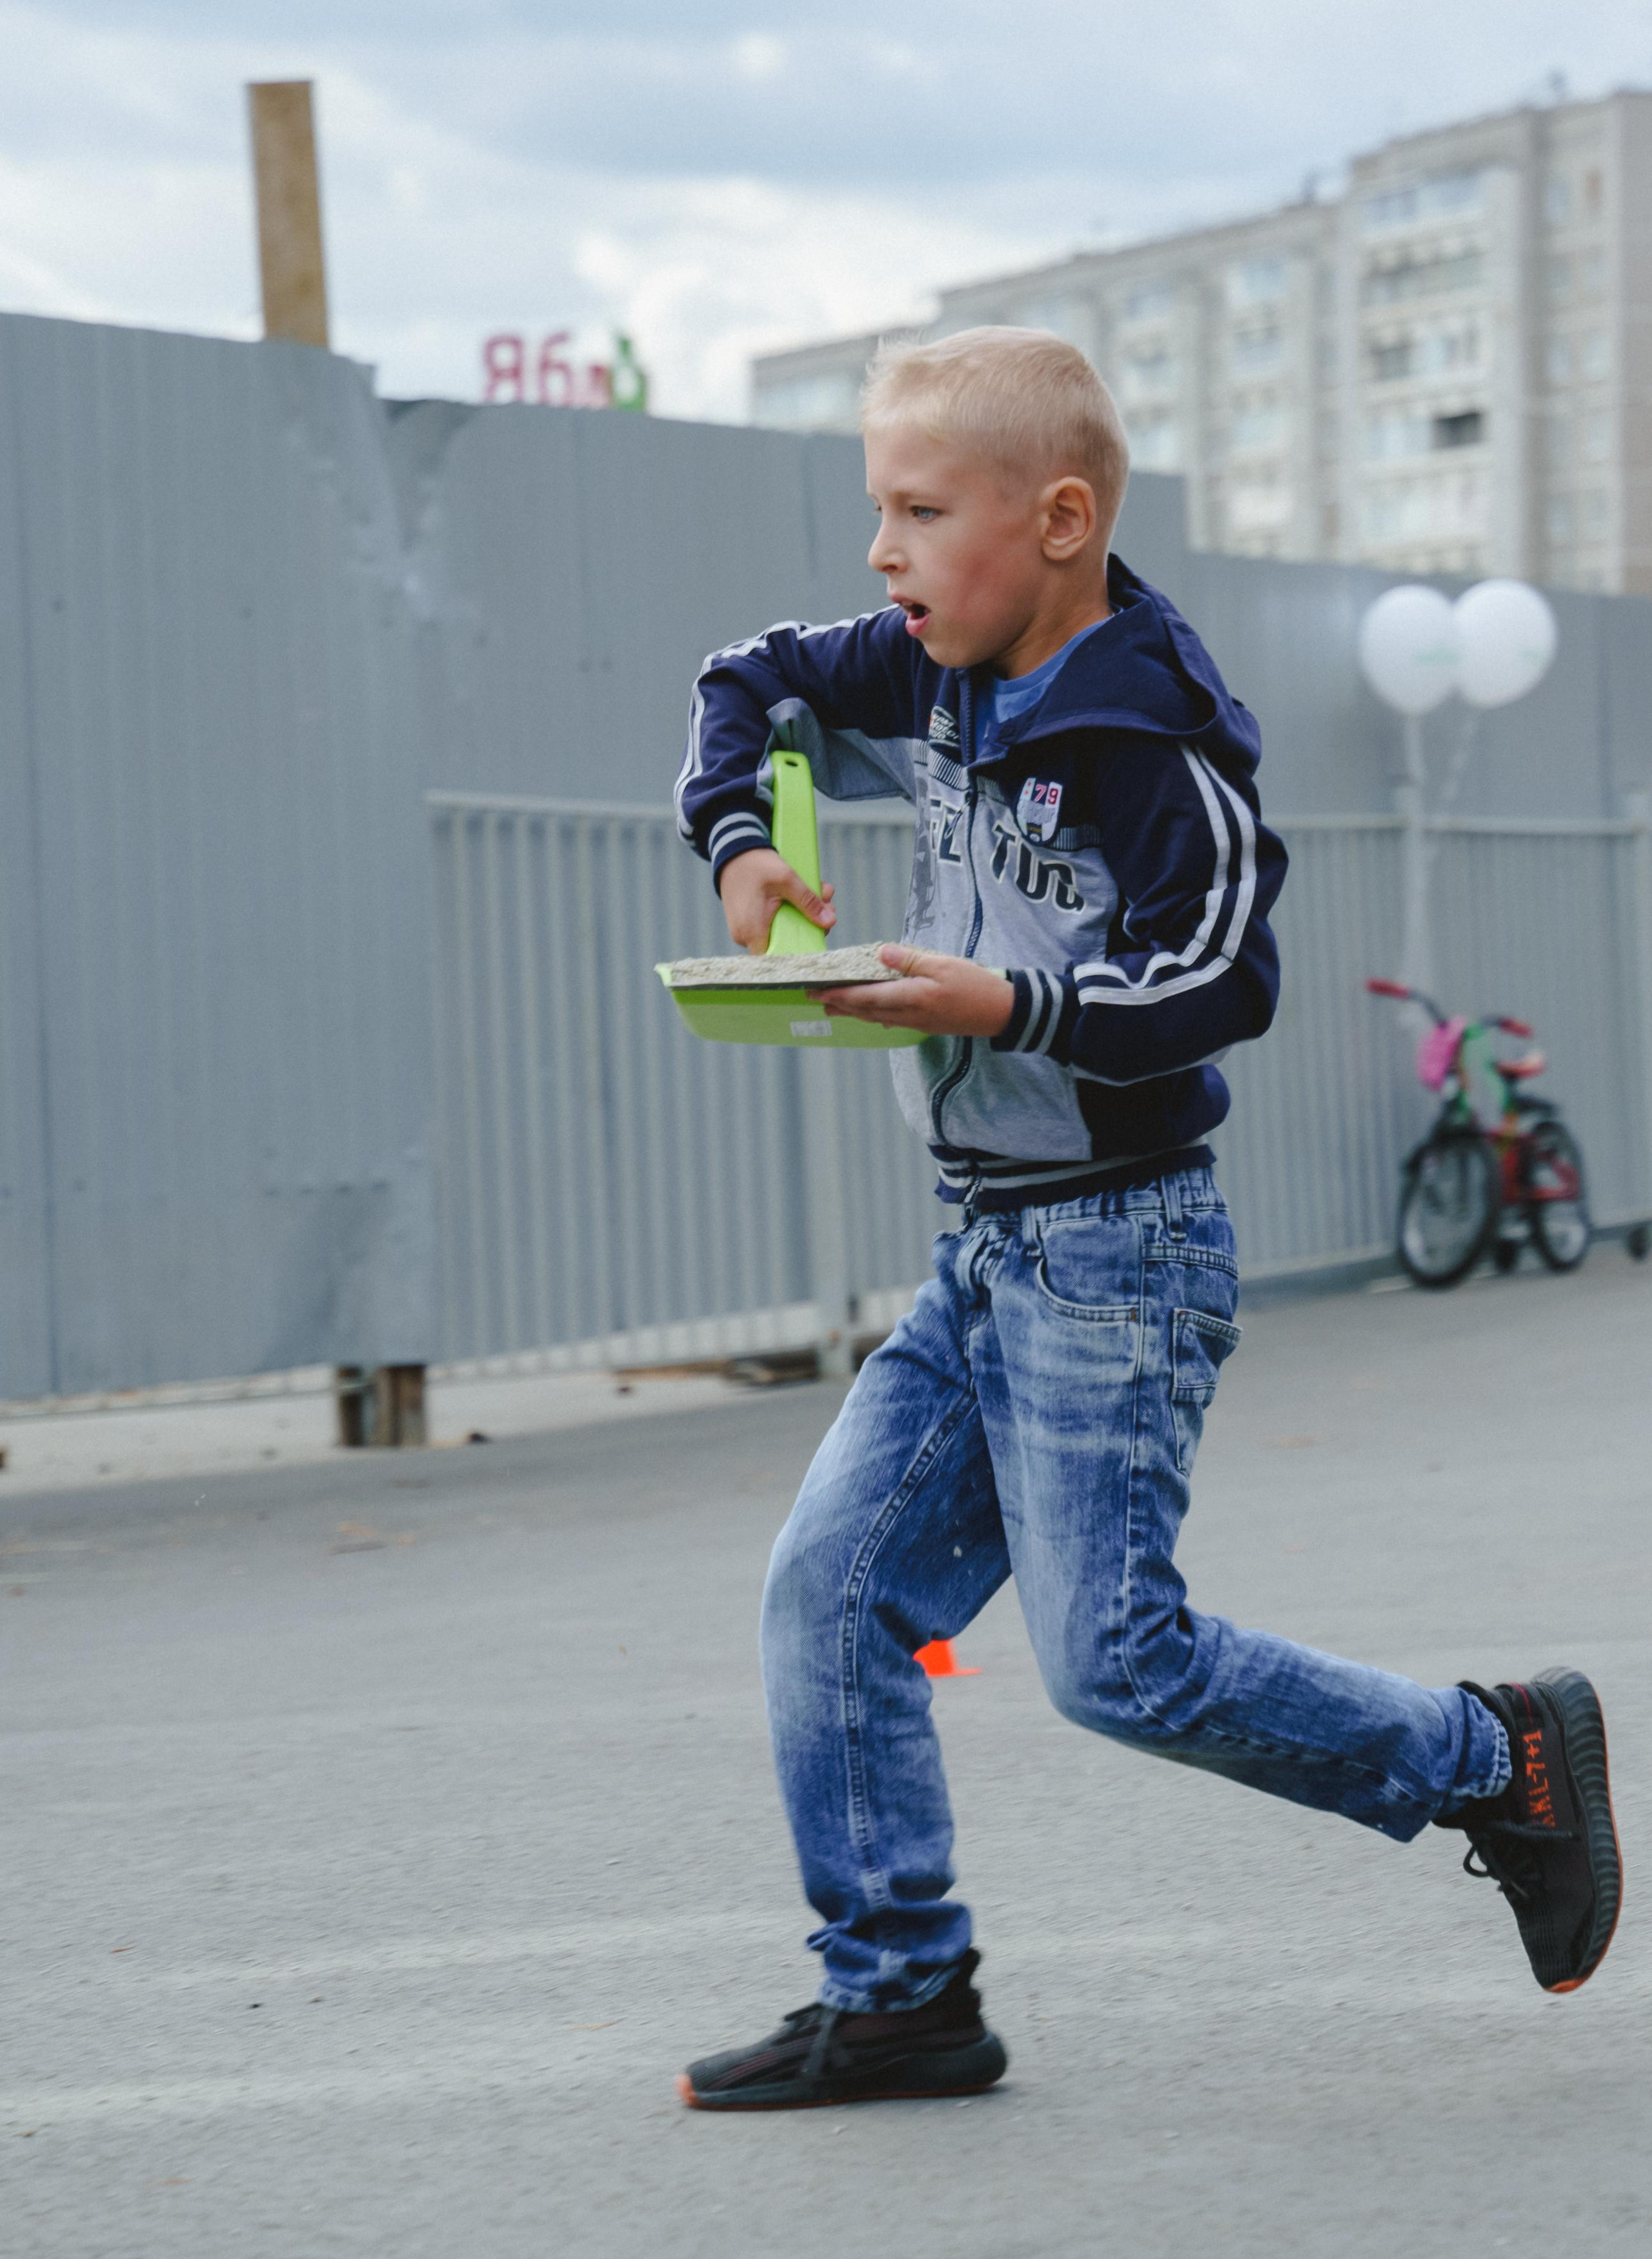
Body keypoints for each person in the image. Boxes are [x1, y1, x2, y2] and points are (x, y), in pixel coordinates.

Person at [670, 327, 1621, 2111]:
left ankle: (1498, 1756)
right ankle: (899, 1995)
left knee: (1118, 1664)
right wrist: (743, 845)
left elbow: (1214, 978)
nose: (881, 554)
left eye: (917, 512)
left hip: (1121, 1250)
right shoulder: (933, 666)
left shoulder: (1146, 736)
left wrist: (1002, 1008)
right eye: (877, 511)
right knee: (829, 1592)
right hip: (990, 1245)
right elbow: (742, 681)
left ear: (1059, 519)